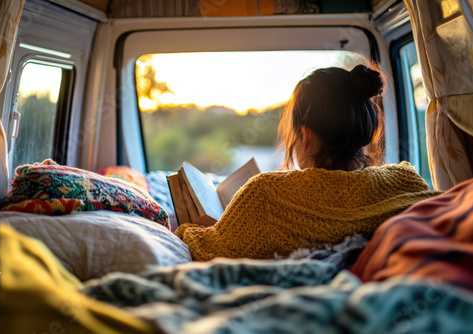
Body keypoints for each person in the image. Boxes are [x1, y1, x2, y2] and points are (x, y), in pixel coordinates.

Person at [175, 64, 441, 261]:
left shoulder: (265, 193)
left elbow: (210, 249)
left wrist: (190, 227)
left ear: (306, 136)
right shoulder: (406, 182)